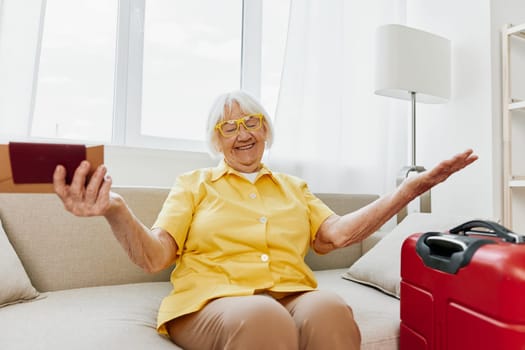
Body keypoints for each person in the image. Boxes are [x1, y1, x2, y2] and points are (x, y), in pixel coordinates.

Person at [53, 90, 478, 350]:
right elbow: (155, 255)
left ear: (266, 128)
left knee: (329, 307)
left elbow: (336, 235)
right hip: (210, 302)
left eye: (251, 122)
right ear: (216, 140)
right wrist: (115, 209)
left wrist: (408, 191)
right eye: (229, 126)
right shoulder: (194, 183)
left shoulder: (294, 187)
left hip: (290, 292)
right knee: (262, 316)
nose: (243, 133)